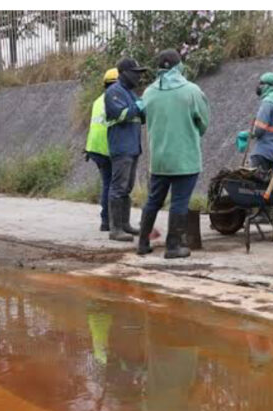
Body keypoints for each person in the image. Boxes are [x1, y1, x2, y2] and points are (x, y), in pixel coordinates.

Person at [137, 50, 210, 259]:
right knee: (179, 202)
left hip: (159, 159)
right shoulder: (191, 91)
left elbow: (144, 116)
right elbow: (203, 122)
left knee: (153, 200)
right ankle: (173, 246)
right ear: (179, 67)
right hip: (185, 158)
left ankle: (142, 243)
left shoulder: (149, 92)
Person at [105, 57, 148, 242]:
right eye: (135, 73)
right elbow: (121, 114)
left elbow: (140, 117)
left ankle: (125, 225)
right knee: (118, 188)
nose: (138, 77)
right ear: (123, 73)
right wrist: (137, 107)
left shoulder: (130, 93)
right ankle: (115, 229)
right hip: (121, 147)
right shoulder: (114, 92)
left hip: (132, 147)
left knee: (127, 188)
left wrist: (142, 109)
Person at [84, 67, 119, 232]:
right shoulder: (116, 98)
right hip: (108, 147)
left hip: (94, 148)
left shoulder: (98, 100)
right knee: (113, 185)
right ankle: (110, 220)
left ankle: (105, 221)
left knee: (106, 183)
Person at [236, 72, 273, 171]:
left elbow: (259, 130)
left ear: (266, 85)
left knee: (254, 184)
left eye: (260, 84)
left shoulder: (268, 102)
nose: (258, 86)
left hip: (263, 152)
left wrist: (246, 134)